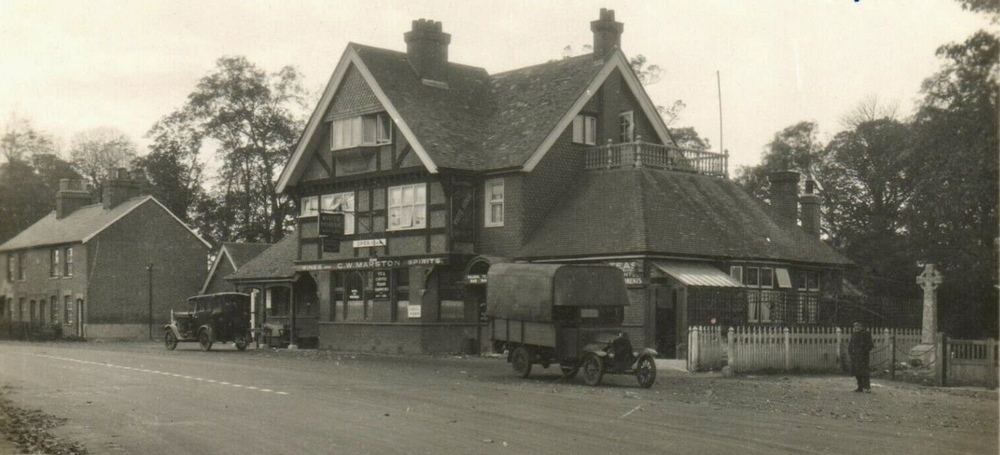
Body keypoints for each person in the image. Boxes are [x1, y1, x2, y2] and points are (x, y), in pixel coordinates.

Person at [849, 321, 874, 393]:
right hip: (855, 356)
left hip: (863, 357)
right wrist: (850, 351)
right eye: (854, 325)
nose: (855, 326)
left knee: (864, 372)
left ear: (860, 325)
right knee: (856, 372)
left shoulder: (866, 333)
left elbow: (870, 345)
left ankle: (867, 388)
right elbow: (851, 343)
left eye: (857, 325)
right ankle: (859, 387)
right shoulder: (854, 333)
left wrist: (863, 351)